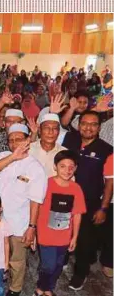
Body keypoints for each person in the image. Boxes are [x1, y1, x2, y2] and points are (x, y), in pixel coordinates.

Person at [0, 123, 47, 296]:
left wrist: (32, 227)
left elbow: (36, 201)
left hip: (19, 222)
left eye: (19, 139)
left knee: (17, 260)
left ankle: (15, 288)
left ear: (28, 140)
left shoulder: (35, 167)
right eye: (11, 140)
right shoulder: (5, 155)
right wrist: (13, 157)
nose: (14, 143)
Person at [62, 110, 113, 290]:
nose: (88, 127)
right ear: (79, 124)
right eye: (84, 123)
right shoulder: (69, 140)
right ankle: (61, 261)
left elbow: (109, 183)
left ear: (99, 128)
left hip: (89, 203)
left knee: (85, 241)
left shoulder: (107, 150)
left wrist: (104, 208)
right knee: (62, 232)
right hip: (64, 198)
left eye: (93, 124)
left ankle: (80, 274)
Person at [35, 150, 86, 296]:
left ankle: (49, 288)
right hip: (45, 234)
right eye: (63, 166)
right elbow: (35, 208)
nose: (67, 170)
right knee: (48, 265)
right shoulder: (45, 184)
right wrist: (32, 230)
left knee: (58, 265)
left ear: (75, 168)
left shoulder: (76, 189)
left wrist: (74, 237)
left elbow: (77, 214)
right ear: (55, 166)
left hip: (64, 236)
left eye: (71, 167)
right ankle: (40, 288)